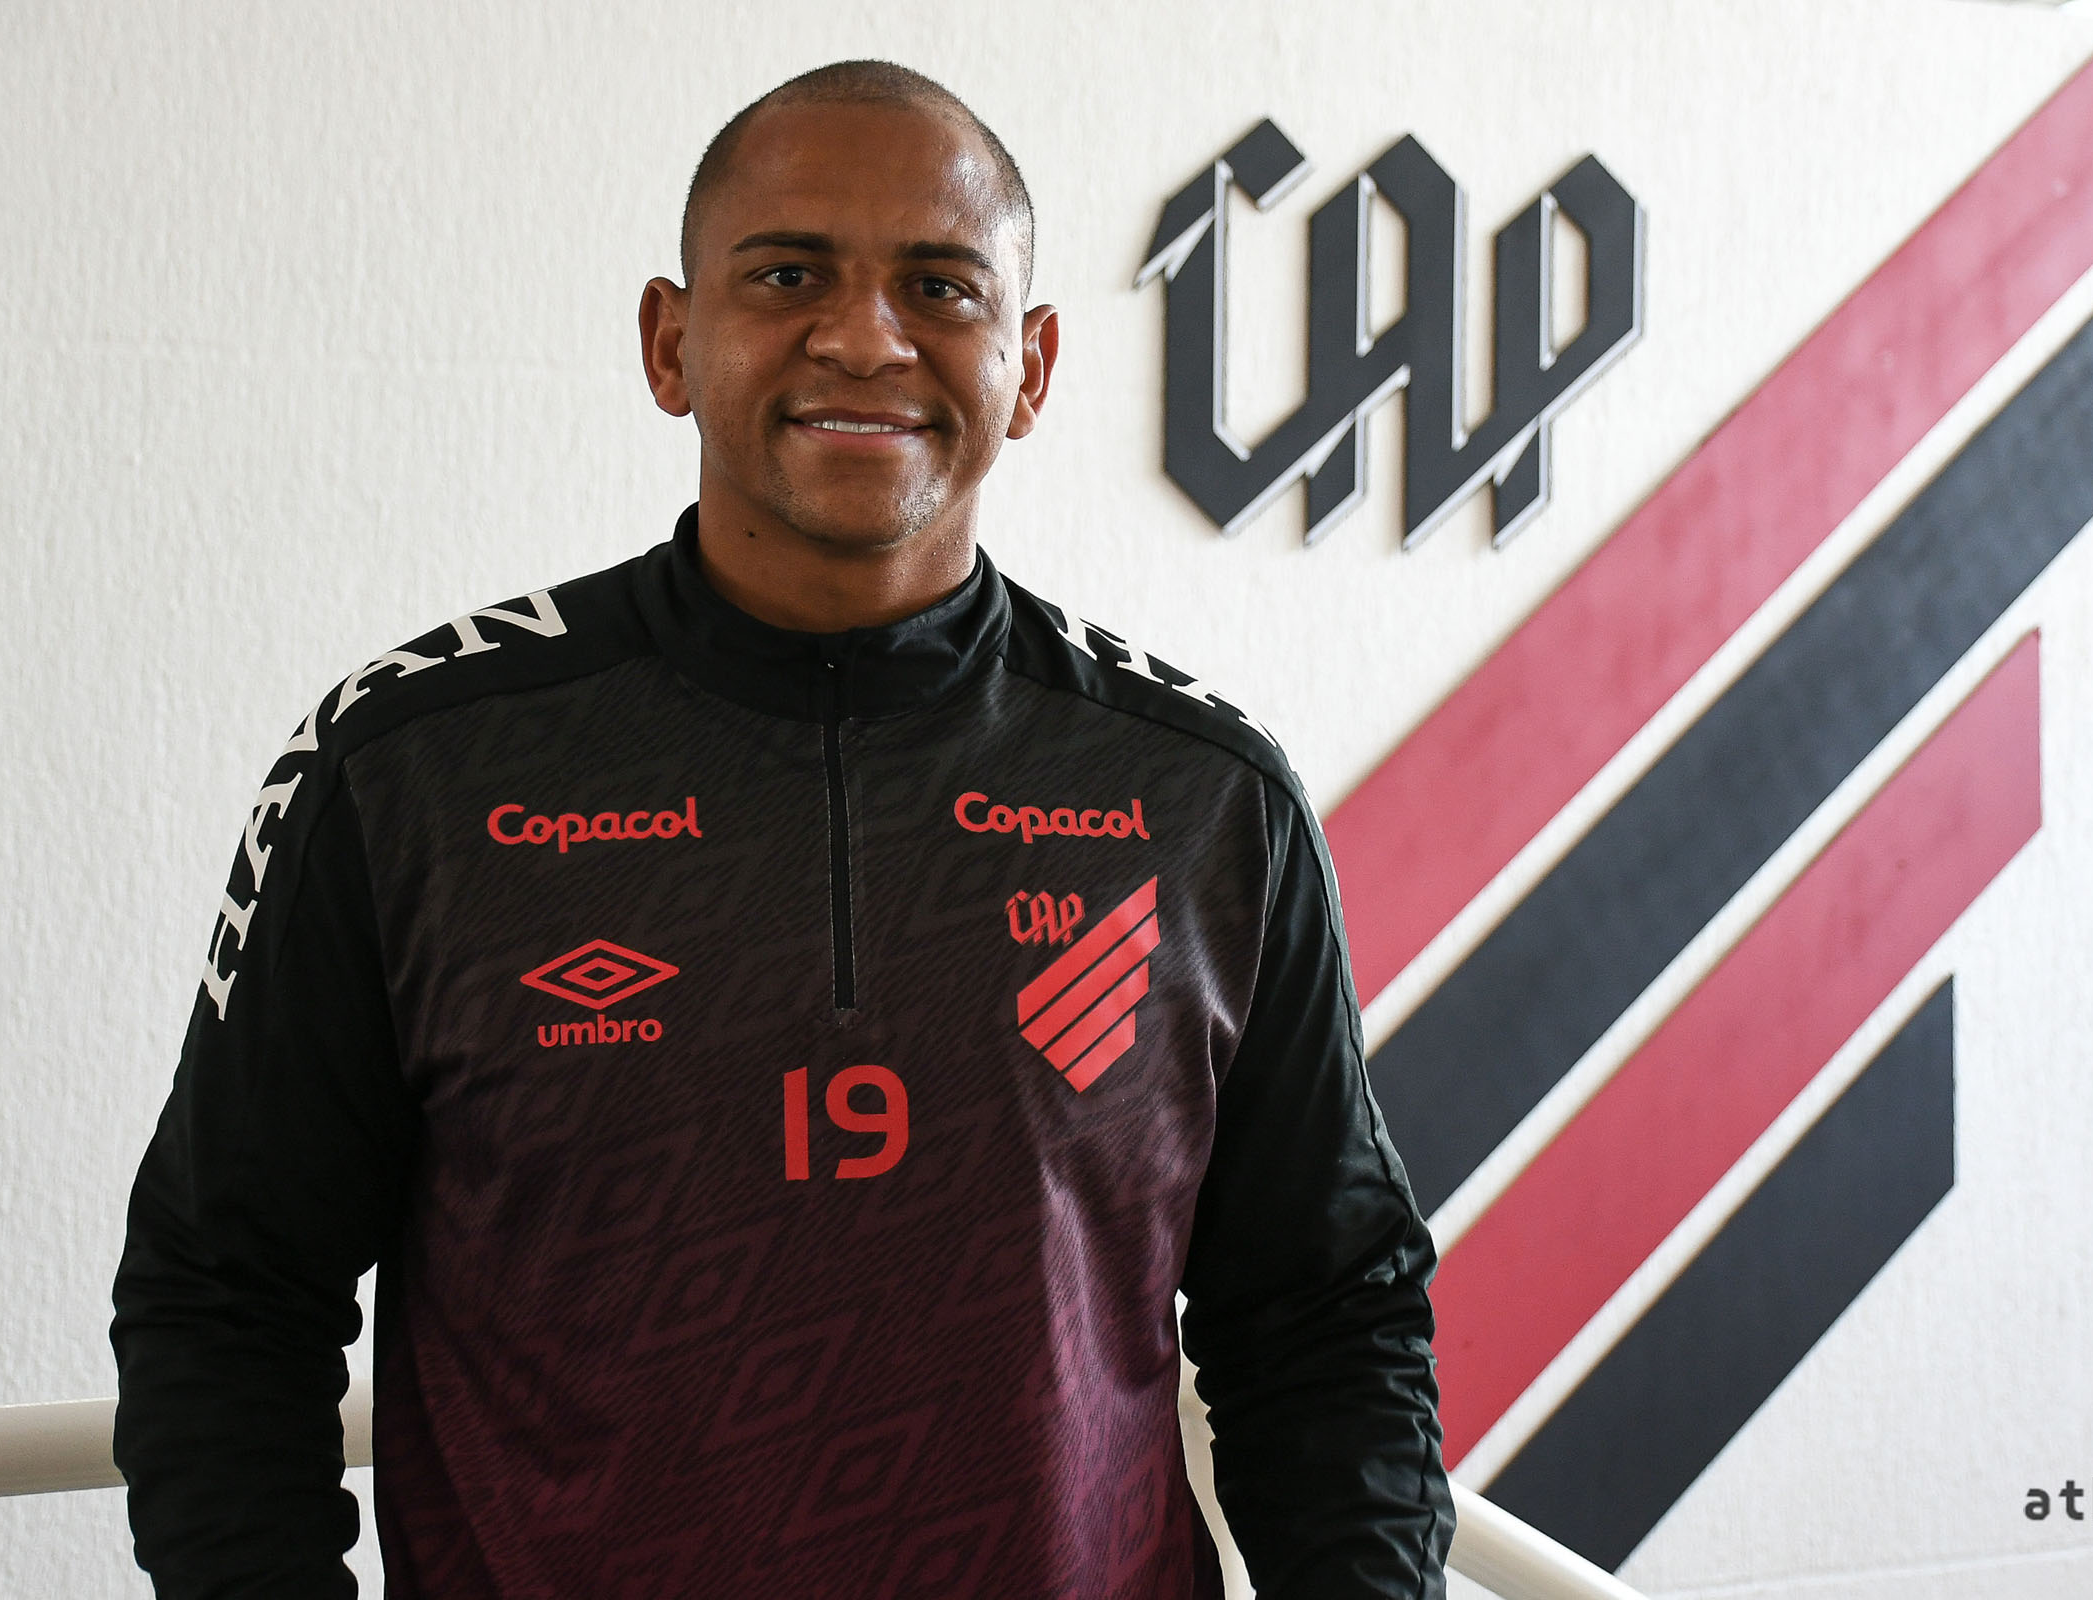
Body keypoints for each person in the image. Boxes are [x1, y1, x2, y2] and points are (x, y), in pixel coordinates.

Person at [112, 59, 1450, 1600]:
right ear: (670, 343)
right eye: (789, 274)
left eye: (941, 286)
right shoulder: (410, 769)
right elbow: (225, 1294)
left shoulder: (1201, 797)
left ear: (1030, 366)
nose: (866, 337)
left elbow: (1328, 1319)